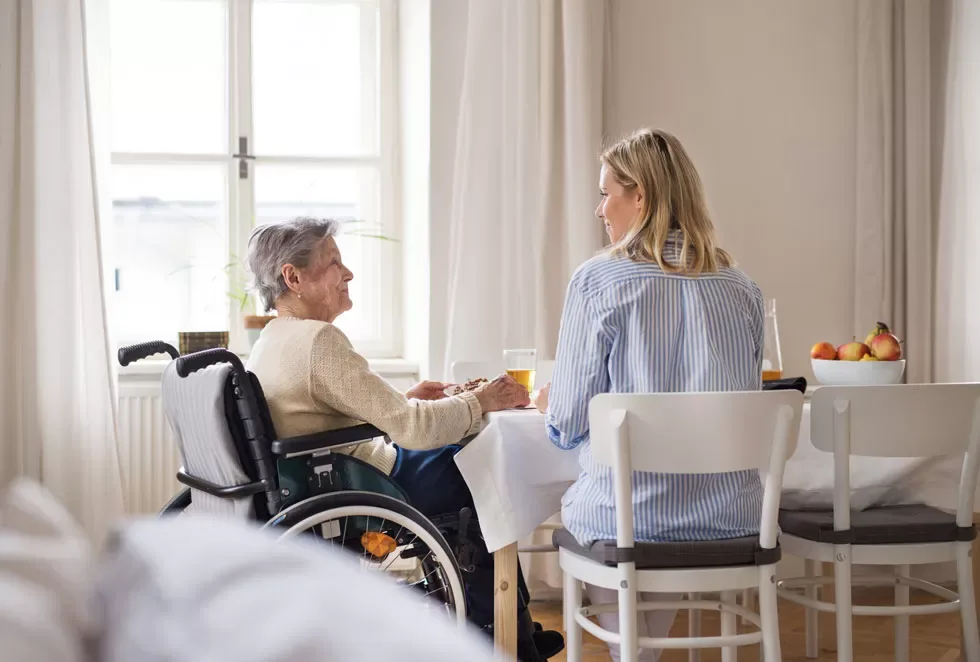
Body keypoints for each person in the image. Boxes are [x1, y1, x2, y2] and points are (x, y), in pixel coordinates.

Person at [243, 216, 563, 661]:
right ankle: (504, 637)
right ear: (293, 277)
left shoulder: (274, 339)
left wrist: (411, 400)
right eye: (334, 262)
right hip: (364, 487)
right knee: (479, 466)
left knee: (468, 458)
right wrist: (482, 401)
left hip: (330, 478)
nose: (348, 273)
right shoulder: (318, 341)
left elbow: (326, 415)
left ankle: (514, 626)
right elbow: (413, 428)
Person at [534, 128, 766, 661]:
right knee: (648, 515)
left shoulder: (598, 281)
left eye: (605, 193)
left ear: (640, 195)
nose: (599, 210)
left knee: (622, 513)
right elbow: (743, 408)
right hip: (730, 518)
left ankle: (632, 656)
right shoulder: (743, 288)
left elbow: (568, 424)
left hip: (631, 520)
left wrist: (552, 405)